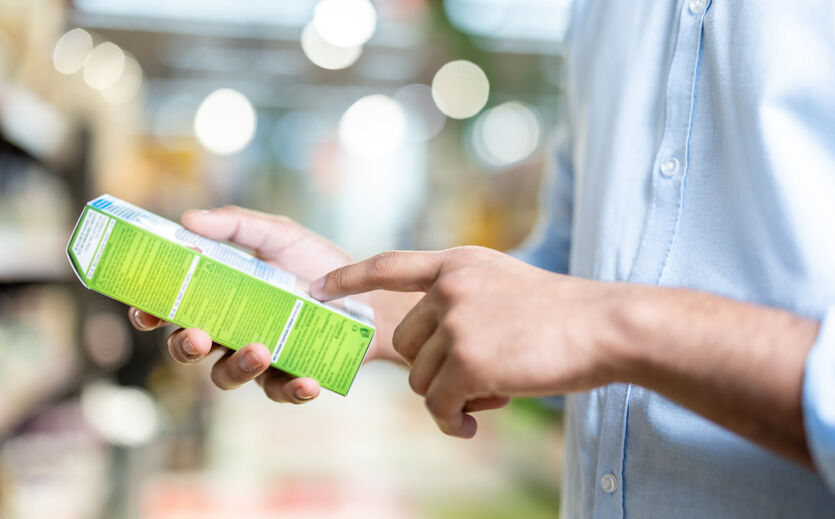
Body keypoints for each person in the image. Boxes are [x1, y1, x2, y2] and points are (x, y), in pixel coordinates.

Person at [131, 1, 835, 516]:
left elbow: (589, 315)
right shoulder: (603, 15)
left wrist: (622, 324)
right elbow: (560, 302)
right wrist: (352, 305)